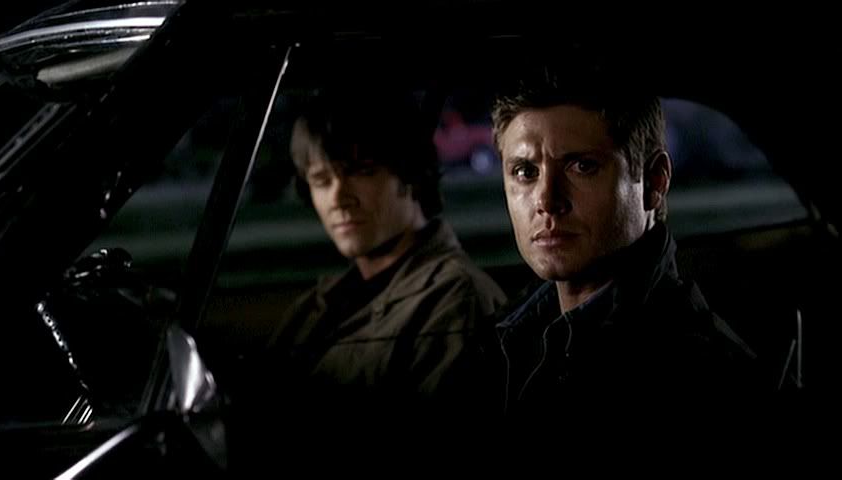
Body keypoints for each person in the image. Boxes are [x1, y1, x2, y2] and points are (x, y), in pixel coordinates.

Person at [488, 68, 759, 419]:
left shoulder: (701, 371)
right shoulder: (506, 335)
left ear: (654, 182)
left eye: (582, 166)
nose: (547, 201)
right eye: (525, 172)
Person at [262, 91, 506, 417]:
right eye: (321, 180)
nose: (338, 197)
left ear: (410, 174)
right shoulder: (317, 305)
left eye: (361, 171)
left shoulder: (455, 300)